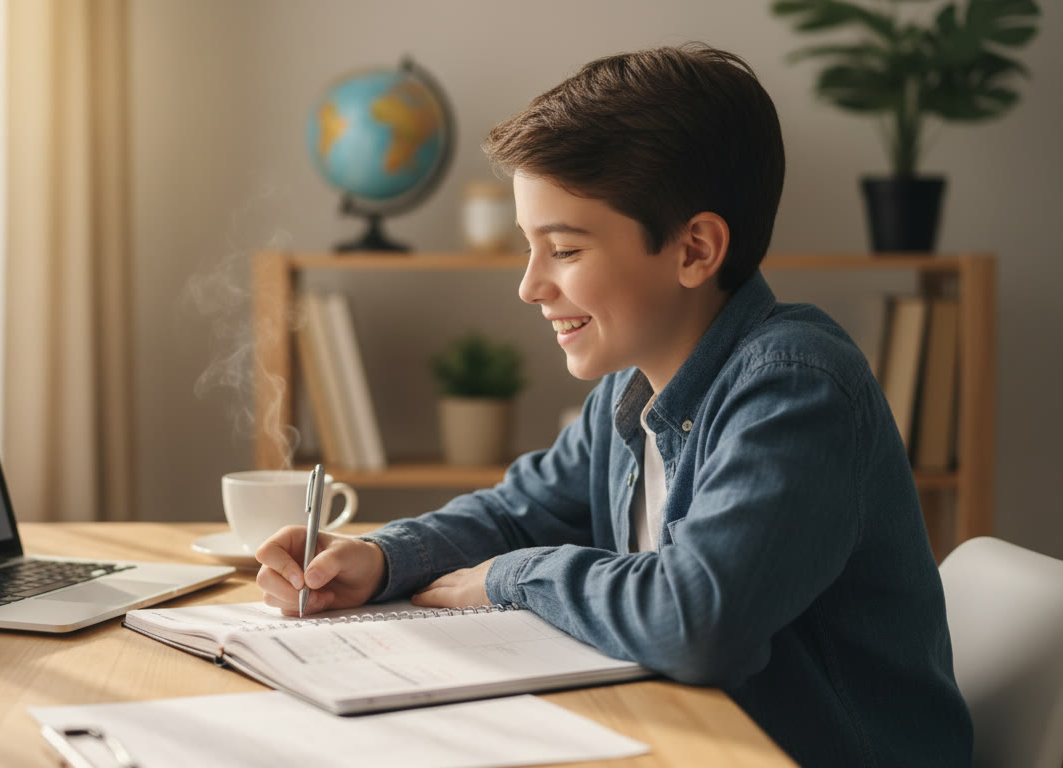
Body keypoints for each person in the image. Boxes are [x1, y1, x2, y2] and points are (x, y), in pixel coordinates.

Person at [255, 43, 971, 767]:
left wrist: (511, 578)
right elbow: (515, 512)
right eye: (528, 249)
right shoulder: (629, 394)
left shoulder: (795, 387)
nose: (530, 287)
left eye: (563, 250)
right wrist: (379, 559)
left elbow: (697, 619)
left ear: (695, 249)